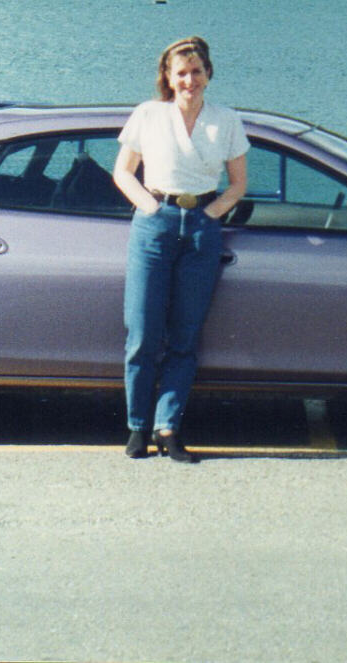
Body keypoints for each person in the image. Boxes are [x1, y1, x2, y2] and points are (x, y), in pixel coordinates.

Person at [112, 36, 249, 462]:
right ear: (168, 79)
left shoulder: (225, 120)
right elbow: (123, 172)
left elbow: (239, 184)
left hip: (201, 233)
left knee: (185, 337)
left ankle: (167, 427)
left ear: (209, 74)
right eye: (181, 73)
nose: (189, 80)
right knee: (142, 333)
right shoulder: (148, 115)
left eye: (197, 71)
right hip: (155, 226)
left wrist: (211, 216)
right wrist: (150, 207)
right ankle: (137, 427)